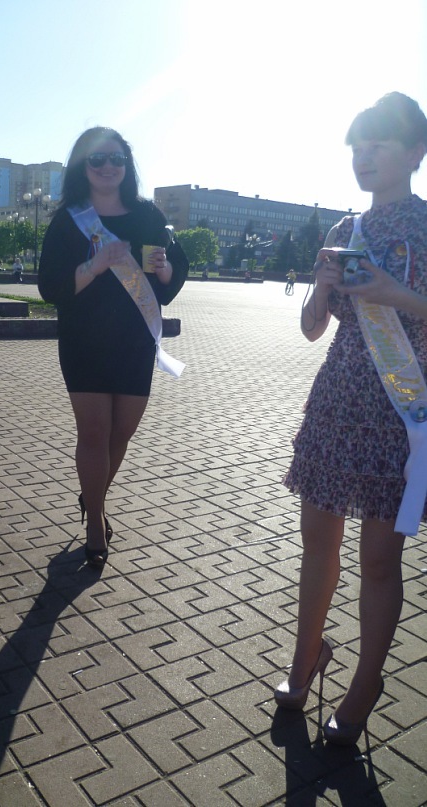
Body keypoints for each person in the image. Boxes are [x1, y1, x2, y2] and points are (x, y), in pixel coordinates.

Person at [275, 93, 427, 746]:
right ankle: (305, 659)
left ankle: (366, 682)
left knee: (378, 560)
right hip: (336, 404)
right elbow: (312, 329)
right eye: (356, 147)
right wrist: (321, 287)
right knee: (316, 541)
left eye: (377, 146)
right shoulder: (345, 229)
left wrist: (394, 294)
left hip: (399, 410)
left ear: (415, 153)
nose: (363, 158)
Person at [38, 126, 189, 569]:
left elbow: (170, 277)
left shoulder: (147, 215)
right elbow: (50, 287)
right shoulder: (69, 220)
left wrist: (164, 270)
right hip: (85, 340)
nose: (108, 167)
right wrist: (96, 263)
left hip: (133, 340)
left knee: (122, 432)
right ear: (82, 166)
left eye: (116, 159)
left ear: (127, 165)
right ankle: (95, 522)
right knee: (94, 432)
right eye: (97, 159)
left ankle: (93, 496)